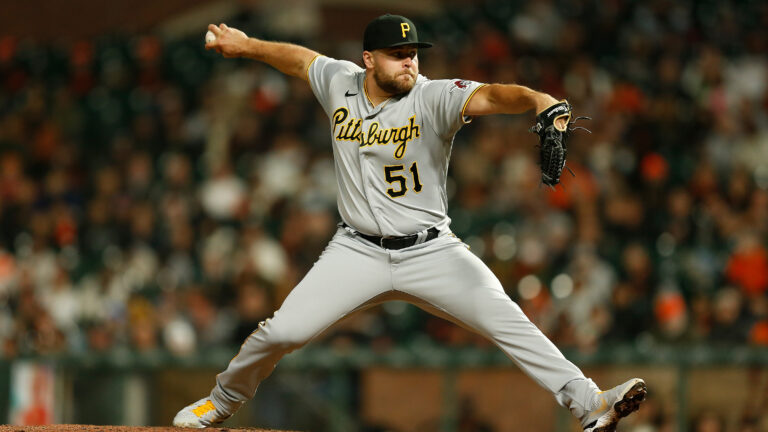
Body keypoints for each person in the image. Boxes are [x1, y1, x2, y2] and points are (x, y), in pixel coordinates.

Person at [173, 14, 647, 431]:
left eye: (413, 54)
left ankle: (590, 403)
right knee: (281, 333)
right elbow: (300, 60)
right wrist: (246, 45)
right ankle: (221, 402)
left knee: (510, 322)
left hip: (431, 251)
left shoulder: (434, 97)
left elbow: (493, 96)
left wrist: (538, 98)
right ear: (368, 59)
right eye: (397, 55)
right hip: (356, 250)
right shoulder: (340, 81)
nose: (409, 63)